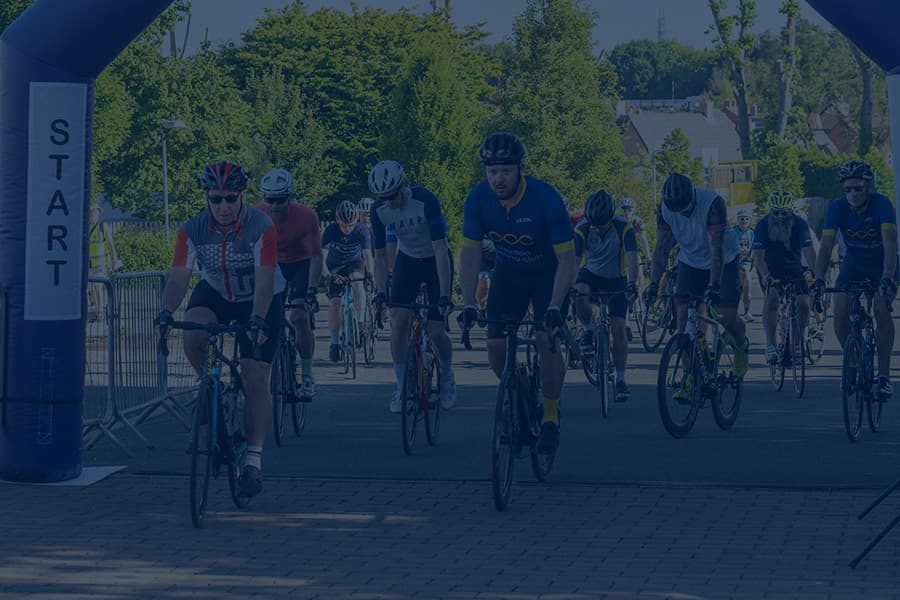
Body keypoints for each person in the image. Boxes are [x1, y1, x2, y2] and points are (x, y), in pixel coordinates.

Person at [157, 160, 284, 499]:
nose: (223, 207)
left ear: (243, 195)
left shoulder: (261, 225)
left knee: (254, 375)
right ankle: (213, 390)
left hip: (259, 296)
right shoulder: (192, 229)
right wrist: (165, 313)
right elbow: (180, 276)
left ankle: (253, 463)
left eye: (230, 198)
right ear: (207, 198)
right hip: (216, 291)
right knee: (193, 332)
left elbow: (266, 278)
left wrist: (257, 319)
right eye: (216, 199)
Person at [458, 132, 576, 453]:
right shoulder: (478, 199)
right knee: (495, 346)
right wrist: (468, 302)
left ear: (520, 169)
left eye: (506, 171)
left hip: (548, 276)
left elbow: (568, 259)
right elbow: (469, 255)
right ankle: (521, 390)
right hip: (508, 274)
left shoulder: (545, 199)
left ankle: (550, 416)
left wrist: (553, 305)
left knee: (545, 339)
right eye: (492, 171)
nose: (498, 178)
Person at [368, 159, 457, 413]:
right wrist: (381, 291)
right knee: (398, 321)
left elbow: (441, 249)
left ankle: (448, 376)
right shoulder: (379, 211)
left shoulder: (425, 200)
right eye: (382, 198)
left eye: (392, 196)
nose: (389, 202)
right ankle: (400, 386)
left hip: (434, 260)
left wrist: (444, 295)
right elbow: (381, 255)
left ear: (403, 186)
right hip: (407, 260)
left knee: (436, 330)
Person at [645, 173, 749, 381]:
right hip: (690, 260)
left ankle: (740, 343)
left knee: (724, 316)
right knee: (683, 318)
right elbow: (662, 249)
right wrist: (654, 284)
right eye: (678, 211)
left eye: (687, 208)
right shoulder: (665, 208)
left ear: (693, 197)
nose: (683, 214)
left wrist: (714, 285)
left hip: (723, 259)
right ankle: (690, 376)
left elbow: (716, 250)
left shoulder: (712, 203)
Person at [813, 160, 897, 400]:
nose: (853, 193)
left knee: (881, 309)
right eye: (848, 189)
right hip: (854, 264)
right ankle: (853, 360)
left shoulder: (881, 204)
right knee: (839, 312)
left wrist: (888, 278)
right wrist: (819, 280)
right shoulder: (837, 208)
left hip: (883, 265)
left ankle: (884, 376)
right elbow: (826, 246)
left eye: (858, 188)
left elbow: (891, 244)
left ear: (868, 187)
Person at [257, 167, 323, 402]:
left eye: (280, 200)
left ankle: (306, 375)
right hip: (273, 266)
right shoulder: (257, 214)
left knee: (299, 317)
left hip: (300, 265)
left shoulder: (307, 216)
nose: (274, 206)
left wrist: (312, 290)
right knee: (264, 316)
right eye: (270, 200)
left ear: (290, 197)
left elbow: (316, 256)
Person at [574, 190, 639, 400]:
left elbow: (632, 258)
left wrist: (632, 284)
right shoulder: (582, 229)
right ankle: (587, 329)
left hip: (616, 277)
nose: (599, 229)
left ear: (611, 218)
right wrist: (568, 287)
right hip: (591, 274)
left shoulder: (624, 228)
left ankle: (620, 379)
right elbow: (574, 263)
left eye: (603, 225)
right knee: (579, 290)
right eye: (595, 225)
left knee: (618, 329)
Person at [752, 190, 817, 364]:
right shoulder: (762, 225)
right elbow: (758, 255)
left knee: (803, 303)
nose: (780, 217)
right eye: (775, 213)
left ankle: (797, 343)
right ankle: (771, 345)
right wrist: (766, 276)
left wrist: (814, 271)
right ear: (770, 211)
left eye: (784, 213)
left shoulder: (800, 224)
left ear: (791, 212)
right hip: (769, 269)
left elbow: (809, 251)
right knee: (772, 297)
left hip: (794, 269)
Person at [322, 200, 372, 362]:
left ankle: (361, 323)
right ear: (338, 221)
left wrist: (370, 274)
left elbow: (367, 255)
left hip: (354, 263)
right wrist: (328, 275)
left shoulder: (361, 230)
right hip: (335, 265)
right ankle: (334, 343)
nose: (347, 229)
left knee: (358, 284)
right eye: (344, 225)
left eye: (350, 225)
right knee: (335, 303)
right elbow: (321, 257)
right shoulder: (331, 231)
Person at [87, 204, 122, 321]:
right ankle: (97, 309)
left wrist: (114, 261)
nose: (92, 213)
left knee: (98, 287)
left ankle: (100, 312)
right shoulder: (85, 227)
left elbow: (111, 246)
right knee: (91, 288)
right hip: (89, 264)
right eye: (90, 211)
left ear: (98, 213)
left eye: (94, 211)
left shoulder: (103, 227)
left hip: (101, 264)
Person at [619, 197, 652, 284]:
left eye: (629, 209)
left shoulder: (638, 222)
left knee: (639, 278)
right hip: (620, 251)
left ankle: (637, 292)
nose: (626, 212)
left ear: (633, 210)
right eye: (624, 209)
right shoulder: (618, 221)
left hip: (633, 250)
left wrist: (648, 257)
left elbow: (643, 240)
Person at [734, 207, 755, 322]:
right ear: (738, 220)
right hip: (735, 263)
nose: (744, 221)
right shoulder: (733, 232)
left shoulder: (752, 233)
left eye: (746, 219)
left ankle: (747, 312)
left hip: (746, 262)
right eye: (742, 219)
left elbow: (754, 248)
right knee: (734, 288)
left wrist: (750, 258)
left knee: (747, 284)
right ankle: (733, 311)